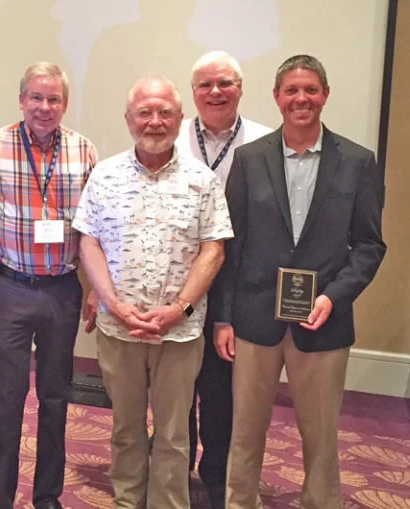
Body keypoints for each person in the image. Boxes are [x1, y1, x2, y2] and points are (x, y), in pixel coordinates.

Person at [214, 55, 386, 509]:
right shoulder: (249, 159)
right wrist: (223, 318)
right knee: (245, 431)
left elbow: (369, 245)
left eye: (310, 89)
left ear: (325, 95)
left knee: (321, 436)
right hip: (254, 320)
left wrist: (334, 296)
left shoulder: (358, 162)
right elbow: (232, 245)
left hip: (323, 321)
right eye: (291, 90)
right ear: (276, 97)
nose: (301, 99)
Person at [74, 75, 233, 509]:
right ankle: (127, 501)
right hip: (118, 329)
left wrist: (178, 309)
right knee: (125, 428)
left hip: (179, 334)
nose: (155, 121)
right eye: (144, 112)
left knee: (174, 434)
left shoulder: (203, 181)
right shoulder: (104, 176)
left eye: (165, 112)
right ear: (129, 119)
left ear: (180, 119)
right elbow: (88, 243)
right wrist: (112, 303)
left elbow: (213, 250)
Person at [0, 62, 98, 509]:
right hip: (11, 290)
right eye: (36, 97)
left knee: (56, 397)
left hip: (62, 290)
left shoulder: (83, 150)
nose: (44, 107)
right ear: (21, 100)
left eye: (53, 99)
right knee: (6, 399)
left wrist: (96, 289)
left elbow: (95, 229)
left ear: (65, 103)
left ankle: (47, 496)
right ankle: (3, 498)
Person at [175, 50, 272, 509]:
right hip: (177, 281)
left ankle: (217, 474)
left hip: (236, 283)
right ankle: (174, 468)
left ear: (241, 89)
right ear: (193, 92)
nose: (216, 92)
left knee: (222, 389)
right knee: (176, 385)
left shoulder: (265, 142)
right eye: (205, 85)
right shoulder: (170, 136)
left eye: (225, 83)